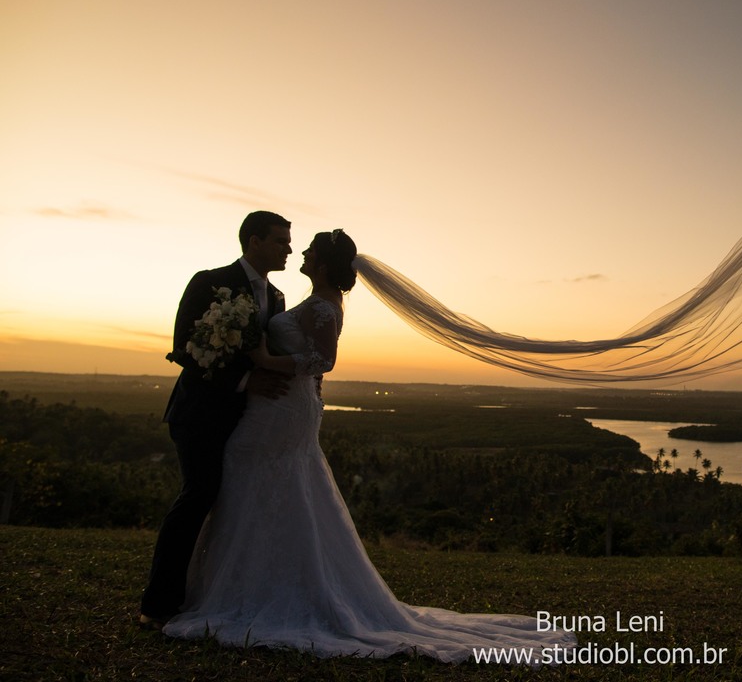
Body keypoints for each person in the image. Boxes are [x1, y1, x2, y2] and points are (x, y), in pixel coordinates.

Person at [162, 230, 575, 662]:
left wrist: (266, 362)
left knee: (257, 477)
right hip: (277, 408)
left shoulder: (321, 305)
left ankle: (255, 590)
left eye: (306, 249)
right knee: (259, 484)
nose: (297, 251)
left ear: (321, 263)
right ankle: (240, 584)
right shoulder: (290, 297)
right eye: (286, 242)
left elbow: (323, 361)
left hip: (283, 411)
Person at [140, 211, 292, 629]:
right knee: (198, 495)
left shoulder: (277, 298)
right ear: (253, 241)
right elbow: (183, 348)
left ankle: (222, 595)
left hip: (248, 421)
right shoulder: (209, 282)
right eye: (280, 241)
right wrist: (245, 380)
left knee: (239, 504)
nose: (288, 250)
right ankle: (158, 605)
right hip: (200, 413)